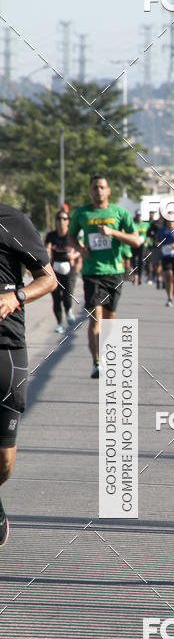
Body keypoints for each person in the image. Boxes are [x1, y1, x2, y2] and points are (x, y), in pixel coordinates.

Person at [0, 202, 57, 545]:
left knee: (4, 460)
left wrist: (15, 297)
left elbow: (48, 279)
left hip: (6, 347)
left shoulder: (12, 221)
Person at [69, 175, 141, 378]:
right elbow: (71, 235)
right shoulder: (82, 213)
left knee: (110, 320)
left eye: (102, 187)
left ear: (108, 190)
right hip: (92, 272)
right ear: (90, 191)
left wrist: (113, 233)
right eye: (95, 188)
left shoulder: (119, 213)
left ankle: (107, 354)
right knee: (95, 317)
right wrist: (79, 248)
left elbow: (136, 241)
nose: (98, 191)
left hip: (114, 271)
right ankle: (96, 362)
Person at [45, 209, 79, 332]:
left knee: (67, 296)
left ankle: (69, 309)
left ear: (68, 221)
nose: (61, 221)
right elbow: (46, 248)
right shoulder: (51, 235)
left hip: (69, 269)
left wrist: (74, 256)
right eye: (59, 218)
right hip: (55, 269)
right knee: (56, 298)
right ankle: (59, 323)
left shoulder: (72, 235)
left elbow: (81, 249)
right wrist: (48, 251)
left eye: (64, 219)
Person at [131, 210, 149, 286]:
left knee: (141, 261)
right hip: (134, 243)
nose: (139, 217)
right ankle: (135, 276)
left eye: (140, 215)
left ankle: (140, 277)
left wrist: (148, 240)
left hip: (143, 245)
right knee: (134, 260)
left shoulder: (146, 224)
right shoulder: (133, 224)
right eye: (138, 215)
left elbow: (149, 234)